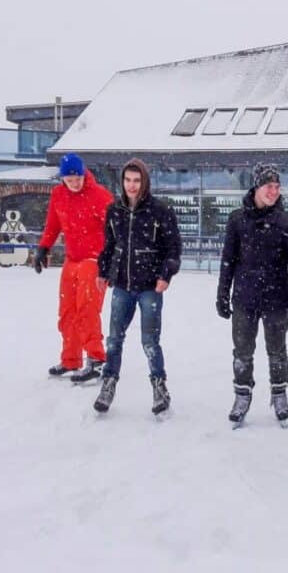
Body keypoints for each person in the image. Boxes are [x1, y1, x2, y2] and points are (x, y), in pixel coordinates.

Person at [216, 163, 288, 425]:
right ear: (257, 186)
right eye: (269, 186)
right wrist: (222, 293)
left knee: (277, 351)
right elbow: (228, 260)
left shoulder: (286, 222)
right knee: (242, 351)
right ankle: (242, 394)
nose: (274, 191)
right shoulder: (237, 220)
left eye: (278, 187)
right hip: (244, 298)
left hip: (277, 299)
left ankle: (279, 392)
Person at [93, 158, 182, 414]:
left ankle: (159, 386)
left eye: (136, 180)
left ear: (144, 182)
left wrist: (166, 274)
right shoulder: (114, 211)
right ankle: (108, 384)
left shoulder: (160, 211)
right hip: (122, 284)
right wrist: (103, 271)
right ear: (122, 182)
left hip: (149, 287)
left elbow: (173, 248)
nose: (131, 186)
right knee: (114, 340)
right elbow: (109, 246)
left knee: (150, 341)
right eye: (127, 180)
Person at [35, 153, 114, 383]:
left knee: (87, 308)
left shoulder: (100, 196)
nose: (74, 183)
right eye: (69, 180)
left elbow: (115, 230)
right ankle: (71, 359)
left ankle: (96, 360)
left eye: (77, 178)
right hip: (72, 260)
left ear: (84, 174)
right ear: (62, 179)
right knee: (67, 310)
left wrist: (112, 261)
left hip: (95, 260)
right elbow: (53, 224)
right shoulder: (59, 195)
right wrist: (43, 248)